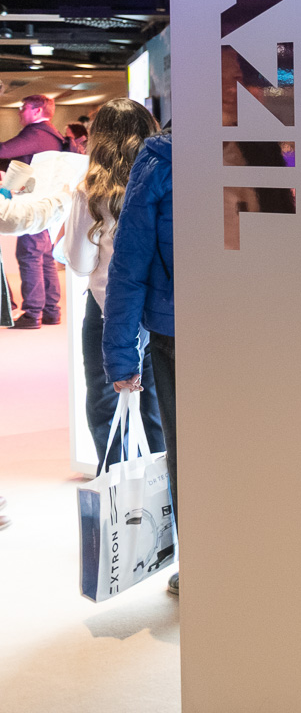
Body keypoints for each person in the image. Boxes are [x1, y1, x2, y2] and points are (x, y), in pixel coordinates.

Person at [65, 98, 166, 468]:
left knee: (107, 405)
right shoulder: (166, 180)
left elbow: (79, 263)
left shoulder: (89, 190)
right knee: (158, 406)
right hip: (160, 307)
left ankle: (118, 490)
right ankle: (166, 490)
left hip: (108, 309)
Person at [103, 127, 175, 591]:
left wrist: (121, 356)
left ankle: (205, 565)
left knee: (191, 456)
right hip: (251, 332)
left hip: (178, 332)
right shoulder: (275, 148)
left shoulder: (160, 159)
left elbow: (130, 264)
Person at [2, 94, 71, 328]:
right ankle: (51, 311)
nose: (20, 112)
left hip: (33, 204)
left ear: (38, 110)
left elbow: (4, 150)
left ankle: (33, 313)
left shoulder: (35, 133)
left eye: (23, 107)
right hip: (48, 204)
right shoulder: (53, 134)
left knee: (29, 255)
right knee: (45, 258)